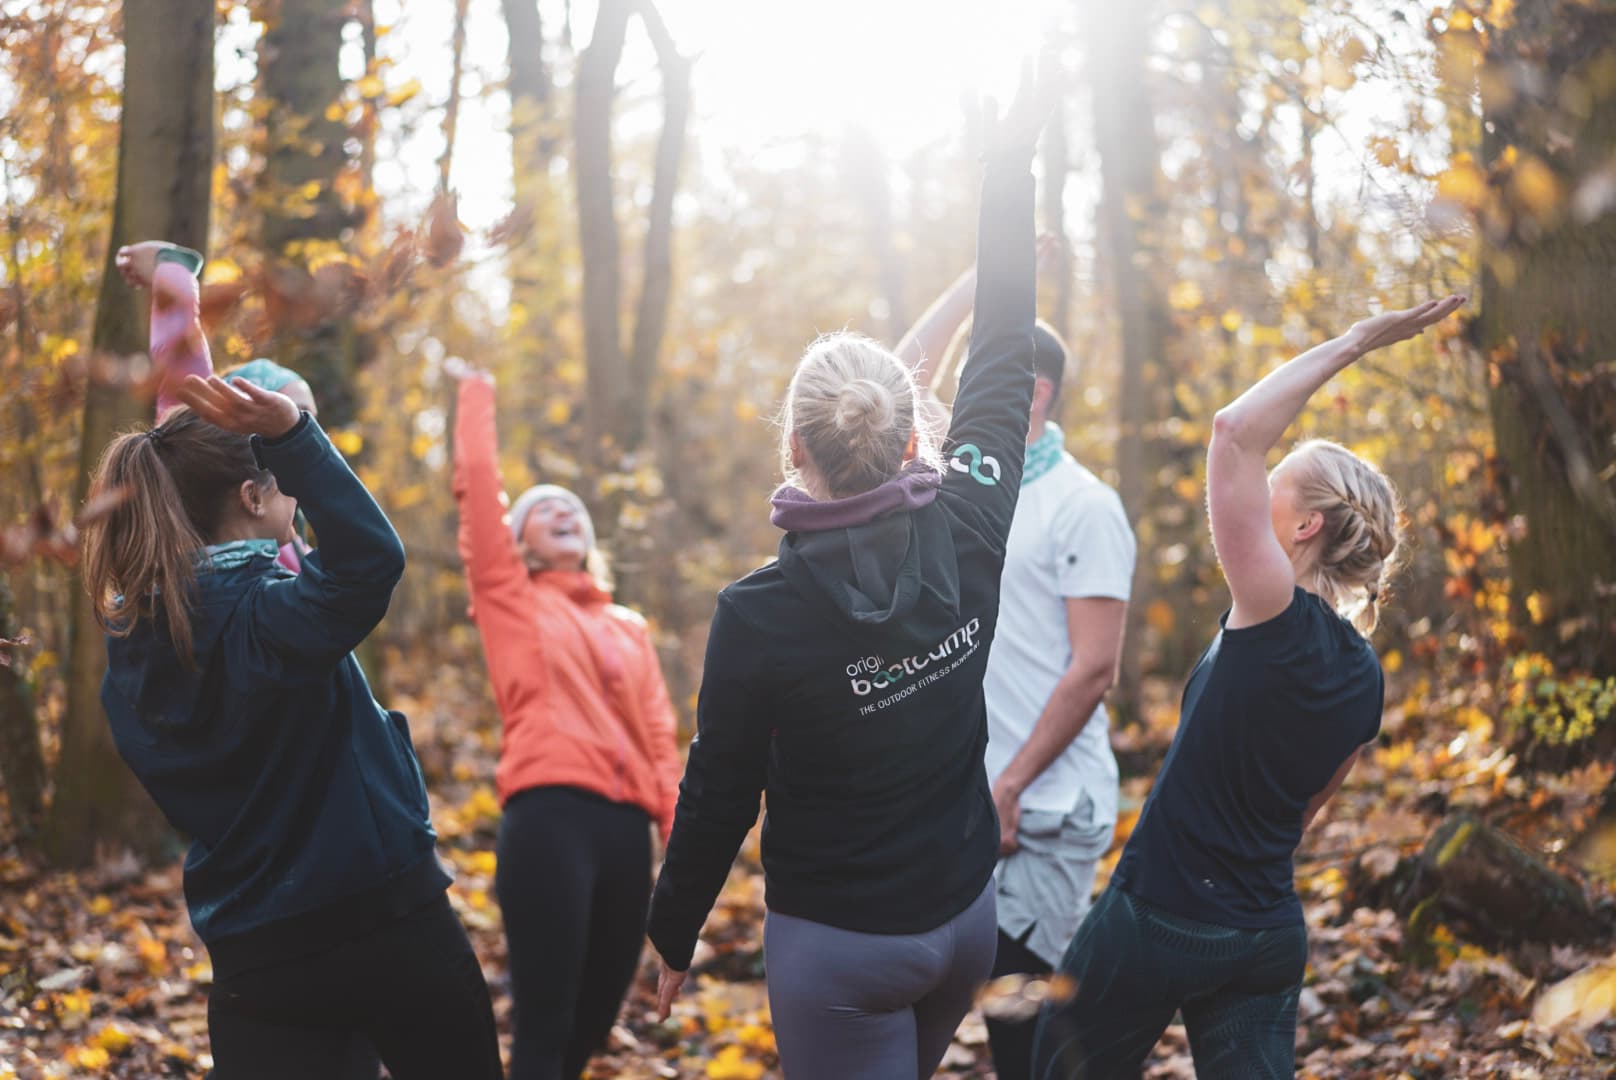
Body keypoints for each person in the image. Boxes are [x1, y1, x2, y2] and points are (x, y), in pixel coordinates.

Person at [644, 68, 1047, 1080]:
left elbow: (720, 788)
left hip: (842, 952)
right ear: (917, 433)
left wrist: (671, 926)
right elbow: (1005, 343)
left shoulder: (759, 614)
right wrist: (1008, 170)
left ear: (792, 448)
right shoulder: (971, 516)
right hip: (963, 922)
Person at [1031, 294, 1467, 1079]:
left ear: (1305, 529)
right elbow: (1301, 817)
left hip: (1158, 917)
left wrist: (1358, 341)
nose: (1256, 491)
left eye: (1278, 485)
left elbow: (1233, 431)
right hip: (1265, 937)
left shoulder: (1270, 610)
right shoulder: (1367, 678)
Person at [84, 374, 502, 1080]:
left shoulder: (130, 655)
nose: (299, 510)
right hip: (384, 927)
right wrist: (292, 437)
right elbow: (371, 560)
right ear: (252, 498)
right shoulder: (273, 618)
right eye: (288, 493)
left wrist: (173, 284)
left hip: (256, 957)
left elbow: (185, 456)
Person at [896, 259, 1135, 1080]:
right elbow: (896, 382)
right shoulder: (957, 484)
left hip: (1045, 805)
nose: (954, 396)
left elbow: (1095, 669)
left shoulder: (1084, 505)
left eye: (979, 377)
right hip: (966, 800)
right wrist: (976, 282)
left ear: (1030, 391)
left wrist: (1012, 785)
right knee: (985, 1011)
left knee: (1029, 1029)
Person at [451, 364, 683, 1080]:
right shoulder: (509, 597)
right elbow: (479, 492)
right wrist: (477, 394)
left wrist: (680, 835)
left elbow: (659, 734)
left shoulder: (628, 627)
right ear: (517, 538)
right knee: (546, 1023)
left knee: (597, 1017)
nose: (564, 511)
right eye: (542, 508)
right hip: (549, 817)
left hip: (627, 834)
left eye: (574, 507)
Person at [117, 240, 318, 575]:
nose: (308, 432)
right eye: (294, 413)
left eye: (310, 420)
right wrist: (171, 267)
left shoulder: (291, 529)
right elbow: (179, 368)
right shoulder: (204, 456)